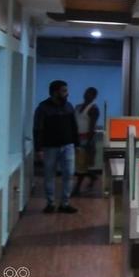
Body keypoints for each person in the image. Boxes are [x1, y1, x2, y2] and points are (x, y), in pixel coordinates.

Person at [33, 80, 79, 214]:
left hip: (68, 146)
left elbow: (74, 126)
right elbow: (38, 129)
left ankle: (65, 203)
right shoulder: (43, 108)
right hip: (49, 147)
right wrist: (38, 149)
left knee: (69, 174)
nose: (67, 93)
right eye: (64, 91)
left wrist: (76, 144)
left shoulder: (69, 106)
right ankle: (50, 203)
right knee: (49, 175)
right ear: (55, 92)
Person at [73, 87, 100, 196]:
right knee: (79, 164)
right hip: (76, 138)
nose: (87, 95)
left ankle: (77, 188)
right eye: (86, 93)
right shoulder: (78, 107)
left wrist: (89, 141)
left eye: (90, 94)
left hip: (86, 139)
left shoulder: (93, 109)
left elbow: (92, 127)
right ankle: (93, 176)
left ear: (94, 97)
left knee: (82, 165)